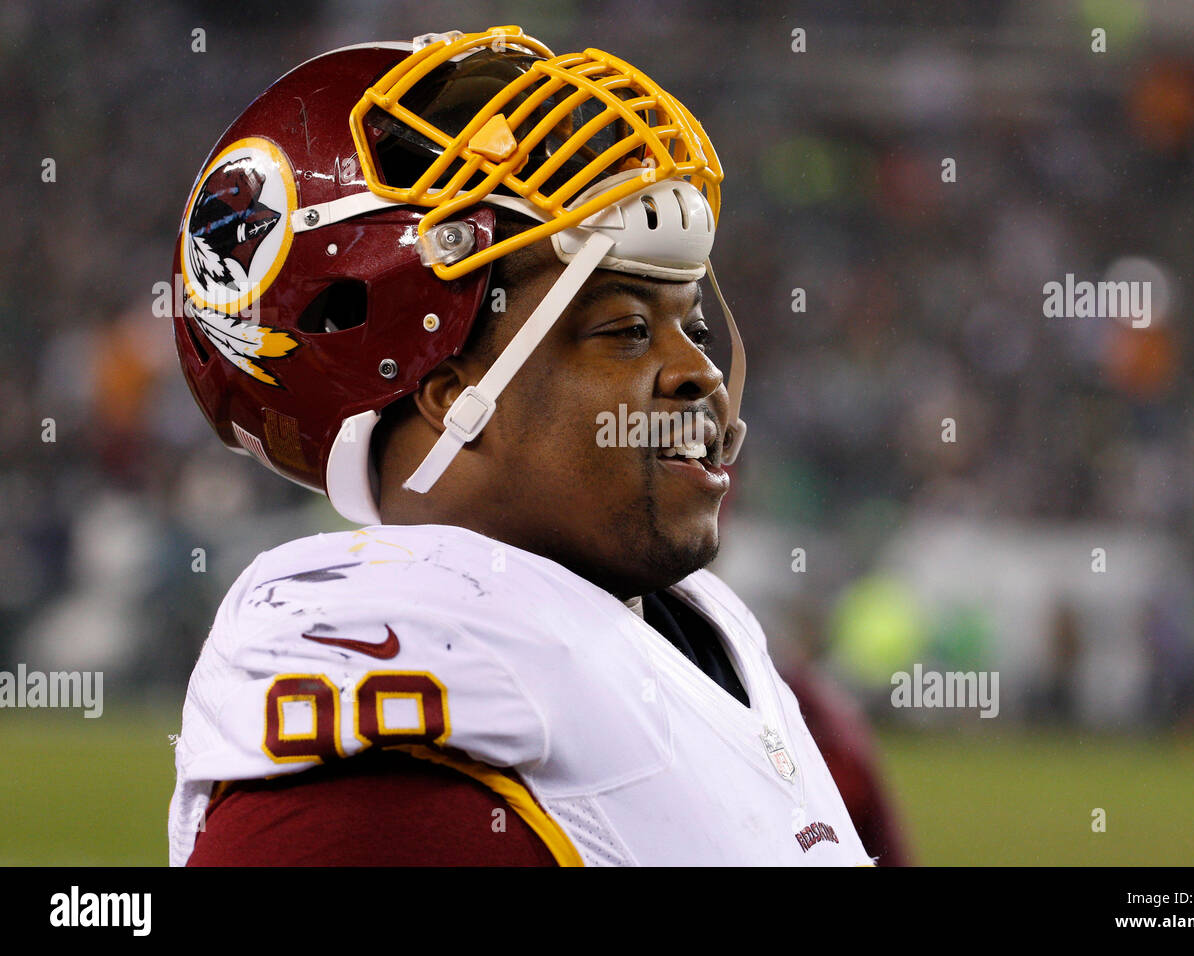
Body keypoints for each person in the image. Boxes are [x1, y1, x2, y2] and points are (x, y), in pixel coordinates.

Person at [167, 24, 883, 865]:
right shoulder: (381, 759)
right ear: (446, 395)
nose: (701, 373)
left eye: (689, 324)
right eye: (623, 330)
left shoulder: (705, 631)